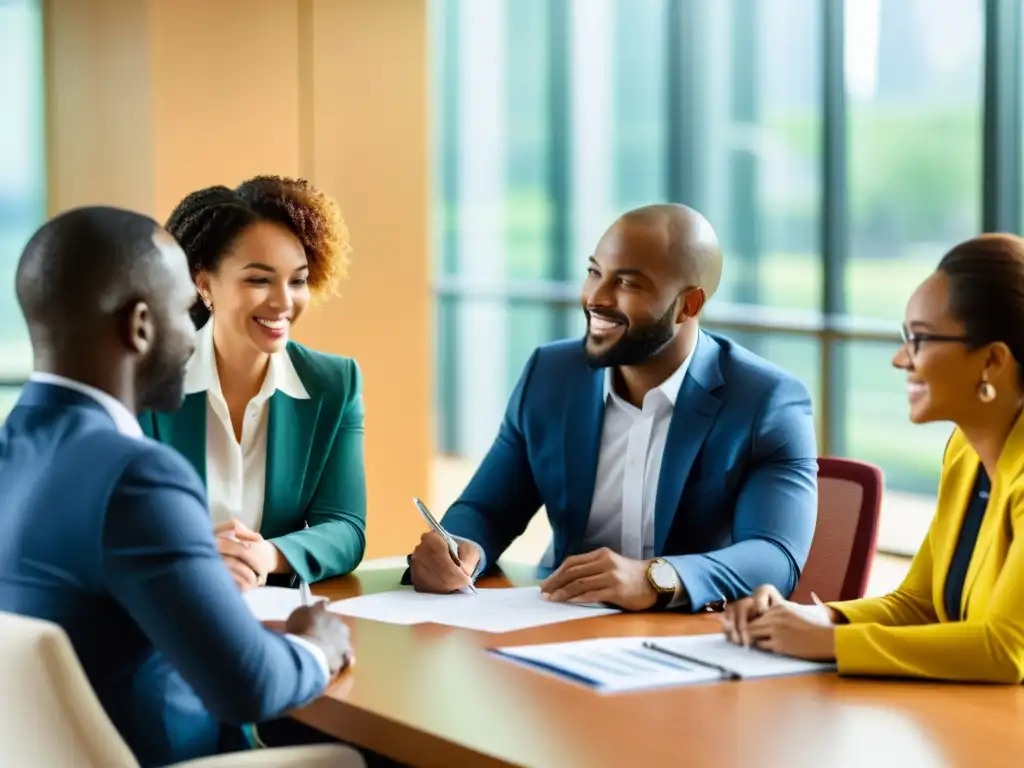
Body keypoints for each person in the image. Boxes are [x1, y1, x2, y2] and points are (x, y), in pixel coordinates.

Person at [0, 207, 357, 767]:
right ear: (140, 326)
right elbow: (249, 687)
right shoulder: (136, 477)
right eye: (182, 313)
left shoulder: (13, 452)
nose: (193, 342)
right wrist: (317, 645)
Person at [408, 204, 819, 612]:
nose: (595, 298)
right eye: (594, 273)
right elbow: (488, 508)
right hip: (555, 623)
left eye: (628, 283)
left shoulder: (766, 400)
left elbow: (775, 554)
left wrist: (656, 578)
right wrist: (459, 547)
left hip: (689, 638)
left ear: (688, 305)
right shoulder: (550, 375)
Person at [722, 233, 1024, 685]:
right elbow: (917, 605)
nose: (901, 359)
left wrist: (828, 645)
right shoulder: (965, 451)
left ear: (993, 361)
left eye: (919, 339)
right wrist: (808, 620)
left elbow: (1003, 650)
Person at [140, 175, 366, 589]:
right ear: (204, 283)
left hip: (275, 617)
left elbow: (345, 527)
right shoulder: (146, 382)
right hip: (167, 611)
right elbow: (116, 524)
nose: (283, 302)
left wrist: (269, 554)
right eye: (259, 280)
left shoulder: (334, 384)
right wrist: (197, 557)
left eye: (297, 280)